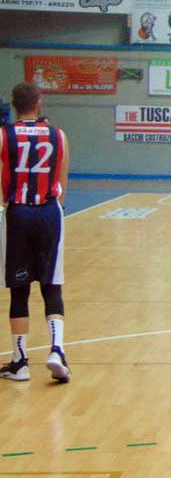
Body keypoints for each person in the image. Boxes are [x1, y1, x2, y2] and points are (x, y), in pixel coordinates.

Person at [0, 82, 71, 383]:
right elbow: (63, 180)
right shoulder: (58, 135)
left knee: (20, 289)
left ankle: (20, 361)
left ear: (14, 106)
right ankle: (56, 350)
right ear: (39, 103)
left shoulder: (5, 135)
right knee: (51, 284)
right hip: (49, 212)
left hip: (18, 212)